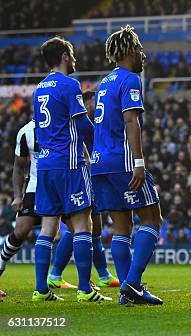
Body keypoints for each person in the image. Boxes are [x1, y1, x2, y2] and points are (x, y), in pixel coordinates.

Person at [32, 36, 110, 302]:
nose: (75, 59)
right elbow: (83, 125)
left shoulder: (39, 88)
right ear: (65, 56)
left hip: (45, 165)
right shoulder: (70, 85)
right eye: (72, 55)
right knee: (82, 224)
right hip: (69, 163)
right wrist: (101, 145)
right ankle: (85, 290)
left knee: (47, 228)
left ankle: (41, 290)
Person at [91, 25, 163, 305]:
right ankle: (132, 284)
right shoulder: (130, 79)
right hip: (122, 161)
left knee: (122, 228)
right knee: (152, 218)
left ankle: (127, 293)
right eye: (140, 49)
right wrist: (139, 162)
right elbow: (131, 121)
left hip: (100, 164)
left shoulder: (104, 82)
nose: (144, 55)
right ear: (130, 50)